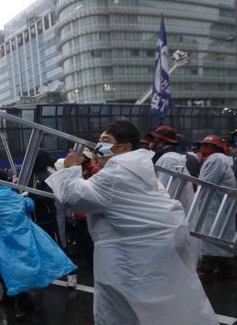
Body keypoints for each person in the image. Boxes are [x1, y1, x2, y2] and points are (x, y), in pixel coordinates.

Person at [45, 120, 217, 325]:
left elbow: (76, 198)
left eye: (105, 141)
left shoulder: (116, 173)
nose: (99, 147)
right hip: (148, 255)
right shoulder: (138, 169)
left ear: (125, 148)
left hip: (128, 260)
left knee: (124, 313)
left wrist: (70, 169)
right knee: (162, 310)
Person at [0, 168, 77, 320]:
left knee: (8, 272)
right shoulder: (15, 195)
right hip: (23, 238)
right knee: (13, 271)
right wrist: (27, 199)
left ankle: (26, 306)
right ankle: (9, 296)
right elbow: (29, 206)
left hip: (4, 242)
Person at [197, 135, 237, 279]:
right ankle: (224, 269)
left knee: (211, 235)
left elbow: (206, 183)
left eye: (206, 145)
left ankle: (207, 270)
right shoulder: (219, 159)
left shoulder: (216, 159)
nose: (202, 148)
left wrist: (199, 204)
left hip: (215, 205)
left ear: (215, 148)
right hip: (220, 205)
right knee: (220, 236)